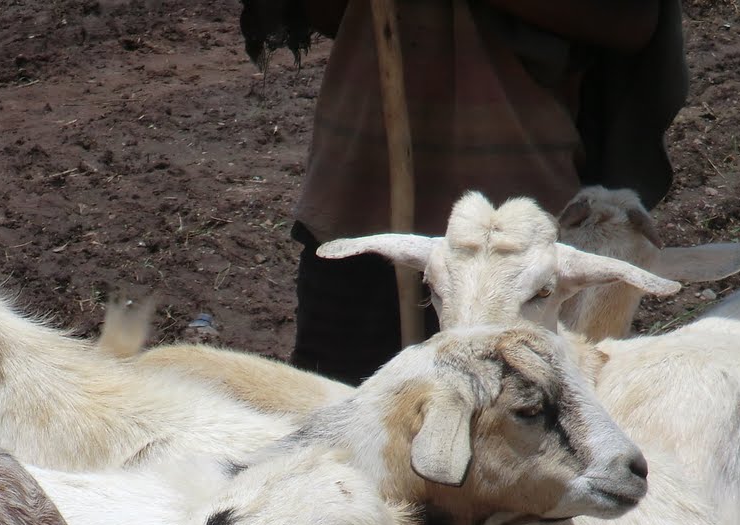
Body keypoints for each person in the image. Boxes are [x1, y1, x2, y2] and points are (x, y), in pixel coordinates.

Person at [289, 0, 686, 384]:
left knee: (508, 407)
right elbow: (325, 12)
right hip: (360, 191)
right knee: (336, 404)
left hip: (511, 224)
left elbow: (628, 19)